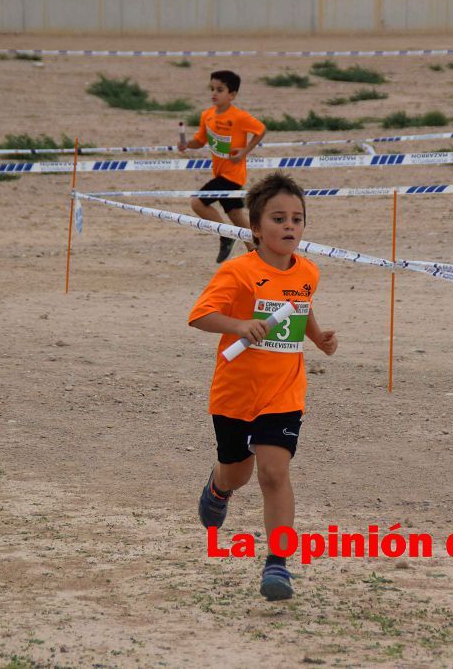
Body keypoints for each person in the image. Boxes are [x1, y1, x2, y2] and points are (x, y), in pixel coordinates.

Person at [188, 172, 338, 601]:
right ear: (255, 228)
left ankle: (278, 564)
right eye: (278, 218)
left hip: (284, 391)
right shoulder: (238, 272)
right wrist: (238, 325)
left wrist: (318, 337)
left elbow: (301, 306)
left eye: (297, 218)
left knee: (274, 472)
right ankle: (218, 487)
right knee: (239, 472)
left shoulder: (308, 271)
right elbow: (199, 315)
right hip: (236, 391)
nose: (290, 226)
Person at [178, 70, 267, 263]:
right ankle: (259, 257)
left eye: (220, 89)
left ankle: (225, 235)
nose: (214, 93)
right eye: (212, 89)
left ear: (232, 94)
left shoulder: (238, 116)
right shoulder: (207, 115)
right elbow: (200, 140)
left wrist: (244, 152)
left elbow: (260, 130)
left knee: (197, 202)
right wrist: (186, 145)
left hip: (232, 175)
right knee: (236, 216)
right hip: (220, 172)